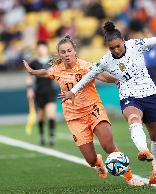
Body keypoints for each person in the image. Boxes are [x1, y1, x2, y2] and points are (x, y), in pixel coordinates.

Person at [59, 21, 156, 184]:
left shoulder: (136, 44)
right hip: (129, 96)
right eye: (111, 48)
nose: (115, 50)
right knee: (133, 119)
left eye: (118, 46)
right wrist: (73, 91)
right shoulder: (105, 60)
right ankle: (143, 150)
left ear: (123, 40)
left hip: (150, 95)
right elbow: (88, 76)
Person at [23, 35, 143, 186]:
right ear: (59, 54)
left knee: (108, 145)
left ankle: (130, 177)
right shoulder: (57, 70)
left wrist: (119, 79)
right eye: (63, 52)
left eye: (69, 51)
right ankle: (99, 163)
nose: (66, 54)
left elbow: (103, 76)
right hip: (74, 118)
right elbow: (45, 72)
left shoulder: (85, 66)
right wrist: (32, 72)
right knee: (91, 160)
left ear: (74, 51)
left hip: (93, 109)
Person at [26, 40, 57, 146]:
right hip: (39, 92)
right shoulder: (34, 63)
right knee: (41, 116)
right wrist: (29, 89)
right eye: (39, 47)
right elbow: (29, 77)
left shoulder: (52, 61)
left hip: (50, 91)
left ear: (46, 48)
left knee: (51, 114)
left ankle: (52, 136)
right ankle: (42, 135)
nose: (41, 49)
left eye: (43, 47)